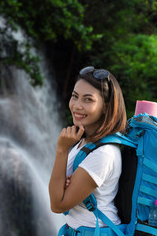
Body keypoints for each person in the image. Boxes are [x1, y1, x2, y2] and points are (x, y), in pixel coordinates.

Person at [48, 66, 127, 235]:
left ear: (106, 107)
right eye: (75, 97)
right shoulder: (82, 143)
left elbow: (57, 204)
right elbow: (59, 190)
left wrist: (61, 150)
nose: (77, 106)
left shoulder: (103, 153)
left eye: (88, 100)